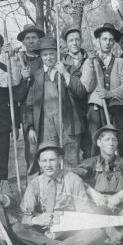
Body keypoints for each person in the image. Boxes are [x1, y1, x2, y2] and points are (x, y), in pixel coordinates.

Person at [12, 142, 106, 245]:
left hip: (69, 230)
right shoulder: (35, 183)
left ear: (60, 160)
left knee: (97, 232)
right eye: (44, 161)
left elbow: (85, 213)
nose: (48, 165)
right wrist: (36, 219)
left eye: (52, 160)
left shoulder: (73, 180)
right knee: (16, 228)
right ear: (39, 163)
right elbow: (23, 215)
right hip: (42, 232)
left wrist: (62, 223)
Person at [73, 125, 123, 243]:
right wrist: (92, 192)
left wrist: (121, 195)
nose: (111, 143)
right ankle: (108, 229)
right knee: (78, 194)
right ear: (99, 142)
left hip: (119, 208)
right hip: (97, 207)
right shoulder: (90, 163)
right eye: (107, 139)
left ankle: (109, 227)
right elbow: (72, 177)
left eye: (114, 140)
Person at [24, 37, 88, 168]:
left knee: (71, 163)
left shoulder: (70, 70)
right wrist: (30, 127)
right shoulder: (36, 76)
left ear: (57, 54)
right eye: (45, 55)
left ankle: (70, 188)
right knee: (50, 162)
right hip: (45, 127)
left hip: (69, 124)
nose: (49, 58)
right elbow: (29, 104)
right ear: (41, 57)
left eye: (52, 54)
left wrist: (64, 73)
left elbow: (80, 91)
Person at [0, 32, 30, 179]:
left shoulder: (7, 69)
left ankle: (1, 191)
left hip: (3, 122)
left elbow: (15, 97)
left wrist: (15, 125)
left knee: (2, 160)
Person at [88, 23, 123, 158]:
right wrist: (90, 64)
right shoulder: (91, 61)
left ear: (114, 42)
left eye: (111, 39)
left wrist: (110, 93)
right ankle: (99, 175)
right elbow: (87, 87)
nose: (107, 43)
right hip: (97, 109)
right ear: (98, 40)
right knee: (97, 144)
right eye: (104, 39)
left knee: (120, 143)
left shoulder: (120, 62)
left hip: (117, 109)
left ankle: (120, 174)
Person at [62, 26, 95, 158]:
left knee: (91, 150)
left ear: (81, 41)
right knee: (71, 152)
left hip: (89, 111)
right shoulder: (62, 61)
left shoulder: (90, 58)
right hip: (71, 112)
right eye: (71, 40)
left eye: (77, 39)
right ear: (66, 43)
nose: (74, 43)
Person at [17, 24, 46, 166]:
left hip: (47, 109)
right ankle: (33, 184)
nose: (31, 41)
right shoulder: (19, 61)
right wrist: (23, 79)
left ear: (39, 39)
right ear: (23, 42)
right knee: (32, 151)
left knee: (48, 149)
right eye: (27, 38)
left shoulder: (45, 58)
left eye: (34, 37)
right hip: (29, 113)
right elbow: (17, 96)